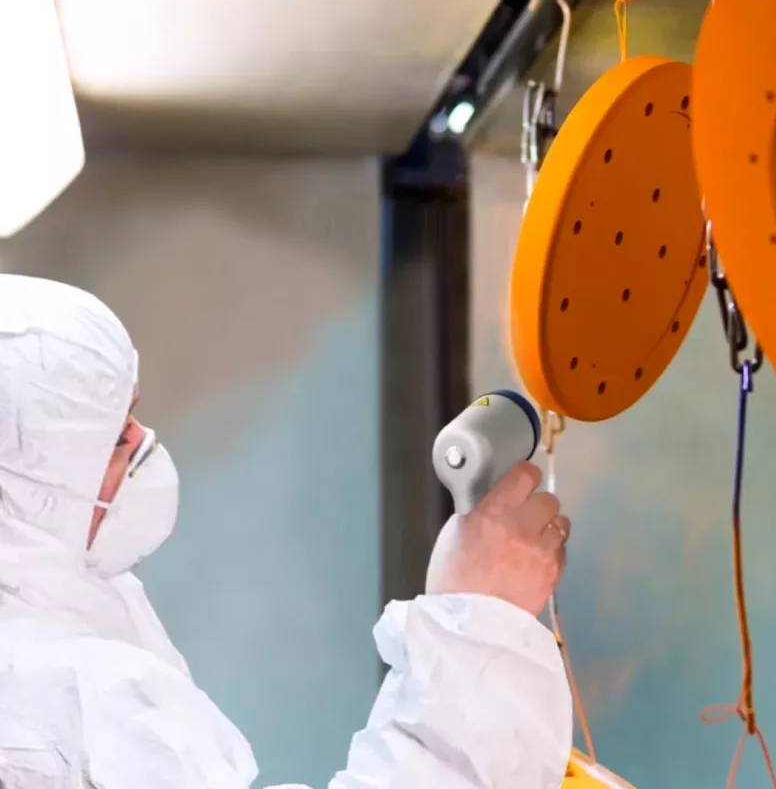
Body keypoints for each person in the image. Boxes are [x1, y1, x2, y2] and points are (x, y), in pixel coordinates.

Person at [0, 274, 574, 789]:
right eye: (112, 439)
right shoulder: (64, 706)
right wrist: (478, 627)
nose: (143, 442)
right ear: (26, 490)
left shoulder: (62, 612)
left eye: (133, 412)